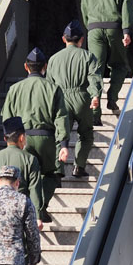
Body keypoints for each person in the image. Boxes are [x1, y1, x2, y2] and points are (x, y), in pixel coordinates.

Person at [0, 48, 69, 223]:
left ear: (26, 67)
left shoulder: (14, 89)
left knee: (21, 180)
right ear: (45, 66)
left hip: (21, 140)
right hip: (47, 140)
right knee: (52, 174)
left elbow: (6, 118)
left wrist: (10, 143)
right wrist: (64, 144)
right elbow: (61, 117)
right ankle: (40, 206)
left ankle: (23, 212)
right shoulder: (54, 88)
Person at [80, 0, 133, 116]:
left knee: (95, 68)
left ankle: (95, 104)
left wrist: (89, 26)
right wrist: (127, 31)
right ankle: (112, 99)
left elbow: (84, 8)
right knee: (119, 65)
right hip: (115, 28)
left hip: (94, 29)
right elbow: (128, 9)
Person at [46, 20, 102, 178]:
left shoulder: (53, 59)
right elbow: (94, 77)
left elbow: (50, 86)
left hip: (61, 99)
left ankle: (58, 169)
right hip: (82, 99)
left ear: (64, 39)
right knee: (85, 134)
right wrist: (95, 95)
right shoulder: (88, 56)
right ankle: (79, 166)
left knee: (60, 134)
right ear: (82, 39)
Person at [0, 116, 44, 221]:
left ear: (5, 139)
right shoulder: (30, 159)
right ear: (22, 137)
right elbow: (34, 190)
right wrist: (37, 217)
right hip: (19, 218)